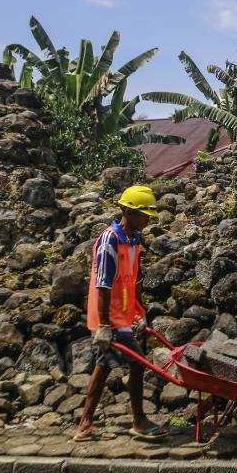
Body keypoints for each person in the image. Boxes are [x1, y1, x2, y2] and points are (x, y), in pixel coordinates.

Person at [74, 185, 168, 442]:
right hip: (107, 316)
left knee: (103, 366)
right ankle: (138, 421)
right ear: (126, 211)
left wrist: (139, 312)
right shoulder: (110, 241)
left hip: (122, 313)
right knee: (137, 362)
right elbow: (102, 285)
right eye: (142, 214)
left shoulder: (135, 239)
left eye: (149, 214)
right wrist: (104, 326)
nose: (147, 219)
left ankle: (84, 425)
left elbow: (135, 279)